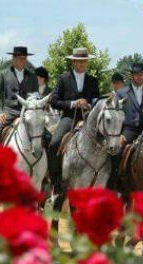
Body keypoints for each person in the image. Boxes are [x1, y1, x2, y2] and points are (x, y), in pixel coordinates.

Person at [48, 47, 99, 184]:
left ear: (87, 62)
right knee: (53, 144)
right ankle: (55, 180)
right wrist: (73, 103)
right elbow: (54, 101)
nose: (82, 64)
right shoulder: (63, 78)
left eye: (84, 61)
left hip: (89, 120)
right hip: (69, 118)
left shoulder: (93, 80)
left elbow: (96, 101)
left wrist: (89, 105)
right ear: (73, 62)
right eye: (79, 61)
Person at [0, 46, 38, 143]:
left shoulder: (33, 77)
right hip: (8, 113)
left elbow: (36, 95)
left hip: (28, 113)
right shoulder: (3, 74)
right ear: (13, 59)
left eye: (25, 58)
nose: (24, 61)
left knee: (46, 136)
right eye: (21, 58)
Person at [117, 62, 143, 146]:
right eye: (136, 74)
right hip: (128, 131)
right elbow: (116, 116)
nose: (139, 76)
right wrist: (119, 134)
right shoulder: (121, 93)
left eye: (142, 74)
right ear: (131, 76)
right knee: (117, 151)